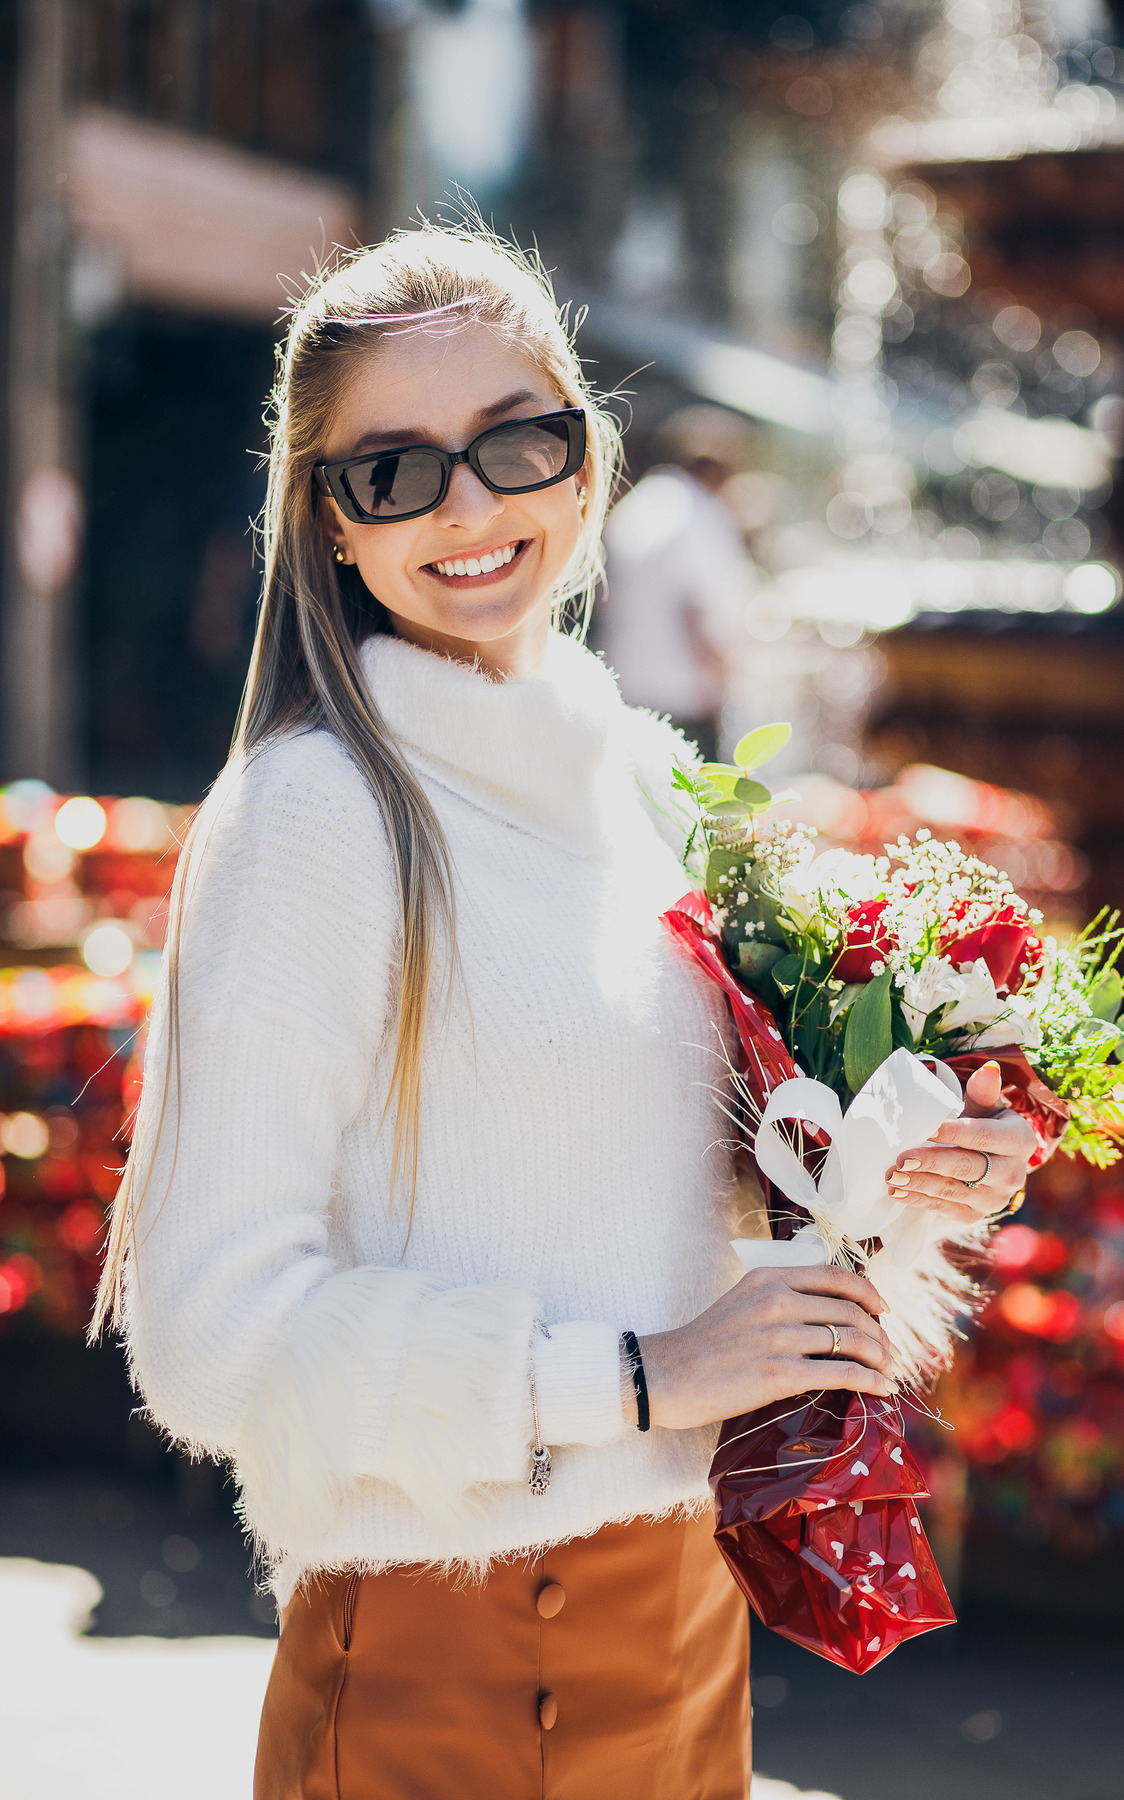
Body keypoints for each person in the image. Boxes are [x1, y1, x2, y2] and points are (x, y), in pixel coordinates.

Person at [91, 225, 1035, 1800]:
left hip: (682, 1620)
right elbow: (210, 1335)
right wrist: (641, 1379)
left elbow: (698, 1198)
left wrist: (918, 1170)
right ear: (330, 523)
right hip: (450, 1654)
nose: (468, 509)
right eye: (393, 472)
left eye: (514, 443)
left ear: (586, 464)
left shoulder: (642, 785)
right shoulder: (316, 816)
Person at [598, 407, 757, 763]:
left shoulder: (637, 505)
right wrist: (721, 680)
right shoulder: (697, 513)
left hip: (626, 686)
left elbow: (604, 598)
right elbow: (699, 608)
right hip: (685, 696)